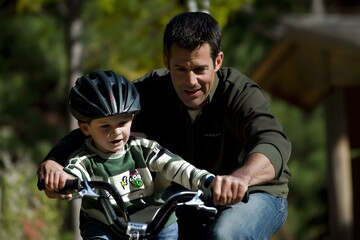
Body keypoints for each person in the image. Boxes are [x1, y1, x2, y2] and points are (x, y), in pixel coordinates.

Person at [38, 12, 291, 240]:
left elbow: (272, 142)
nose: (190, 81)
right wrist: (54, 163)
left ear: (218, 61)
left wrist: (240, 178)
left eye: (200, 69)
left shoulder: (240, 93)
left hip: (252, 194)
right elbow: (99, 125)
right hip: (183, 199)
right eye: (180, 69)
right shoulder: (147, 92)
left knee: (225, 235)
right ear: (166, 61)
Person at [48, 70, 216, 240]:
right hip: (107, 227)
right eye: (105, 126)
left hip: (155, 223)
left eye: (122, 123)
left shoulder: (143, 148)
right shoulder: (84, 161)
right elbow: (73, 173)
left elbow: (174, 166)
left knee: (170, 230)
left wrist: (208, 181)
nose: (116, 132)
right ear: (85, 128)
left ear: (133, 118)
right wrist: (63, 181)